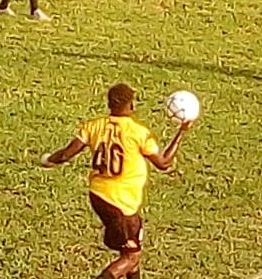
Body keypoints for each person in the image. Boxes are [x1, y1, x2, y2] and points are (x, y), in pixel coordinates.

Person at [39, 83, 192, 279]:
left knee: (131, 251)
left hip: (98, 196)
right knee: (131, 257)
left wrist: (49, 160)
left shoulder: (94, 126)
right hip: (122, 204)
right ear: (132, 105)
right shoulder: (138, 133)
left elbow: (65, 154)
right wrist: (181, 132)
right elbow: (163, 163)